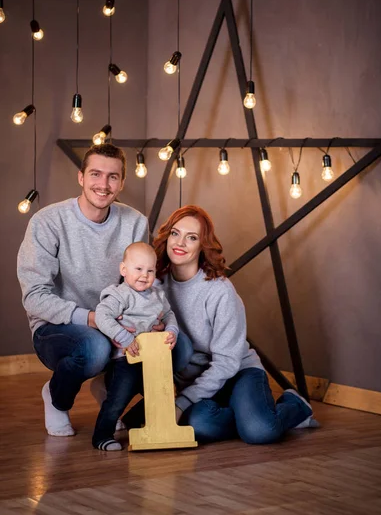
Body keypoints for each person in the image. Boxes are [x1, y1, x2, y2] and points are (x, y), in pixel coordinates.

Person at [149, 204, 319, 444]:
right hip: (199, 383)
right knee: (199, 423)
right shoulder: (155, 285)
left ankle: (294, 405)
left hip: (238, 373)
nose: (180, 243)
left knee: (260, 431)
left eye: (192, 237)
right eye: (175, 233)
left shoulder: (219, 291)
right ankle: (244, 415)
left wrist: (182, 402)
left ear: (202, 246)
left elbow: (227, 362)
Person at [17, 143, 150, 437]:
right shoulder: (48, 222)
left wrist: (142, 320)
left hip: (113, 320)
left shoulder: (136, 223)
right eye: (95, 174)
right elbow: (35, 297)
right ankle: (56, 397)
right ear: (81, 177)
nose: (103, 185)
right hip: (58, 326)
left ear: (122, 183)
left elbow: (138, 285)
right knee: (94, 348)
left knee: (166, 345)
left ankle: (108, 391)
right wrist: (91, 318)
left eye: (112, 177)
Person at [92, 242, 178, 451]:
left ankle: (133, 420)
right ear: (124, 270)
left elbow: (169, 315)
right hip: (126, 358)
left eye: (150, 270)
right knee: (118, 397)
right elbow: (102, 316)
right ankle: (102, 435)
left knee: (159, 392)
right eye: (138, 269)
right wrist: (124, 337)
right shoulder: (119, 294)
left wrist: (172, 331)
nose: (144, 275)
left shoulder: (157, 295)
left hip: (153, 357)